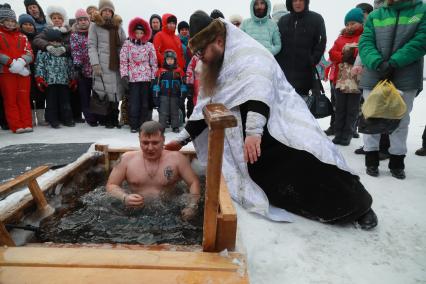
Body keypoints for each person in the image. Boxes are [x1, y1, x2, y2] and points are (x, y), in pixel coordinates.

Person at [166, 11, 378, 230]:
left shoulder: (249, 54)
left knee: (308, 158)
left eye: (202, 51)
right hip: (249, 134)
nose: (199, 57)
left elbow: (259, 92)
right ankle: (308, 207)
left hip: (276, 121)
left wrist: (254, 133)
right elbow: (205, 107)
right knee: (266, 175)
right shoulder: (214, 64)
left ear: (218, 41)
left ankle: (359, 207)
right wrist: (182, 140)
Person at [358, 0, 425, 179]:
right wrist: (377, 62)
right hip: (374, 74)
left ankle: (397, 161)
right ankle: (371, 159)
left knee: (400, 120)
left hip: (406, 75)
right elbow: (365, 42)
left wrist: (395, 62)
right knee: (371, 116)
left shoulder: (422, 10)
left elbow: (421, 40)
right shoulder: (375, 15)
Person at [106, 120, 200, 221]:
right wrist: (124, 197)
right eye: (145, 143)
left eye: (155, 143)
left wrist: (191, 206)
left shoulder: (177, 159)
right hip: (135, 213)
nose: (150, 148)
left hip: (169, 213)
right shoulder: (126, 159)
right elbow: (111, 185)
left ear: (163, 140)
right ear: (139, 140)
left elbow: (193, 182)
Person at [275, 0, 326, 98]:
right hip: (284, 75)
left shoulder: (316, 19)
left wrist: (312, 59)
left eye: (301, 0)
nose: (298, 3)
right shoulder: (283, 20)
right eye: (294, 0)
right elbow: (277, 43)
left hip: (305, 75)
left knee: (302, 108)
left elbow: (321, 42)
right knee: (284, 109)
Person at [328, 8, 364, 146]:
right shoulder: (340, 38)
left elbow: (364, 52)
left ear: (361, 23)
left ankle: (347, 134)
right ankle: (338, 133)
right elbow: (332, 54)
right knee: (340, 108)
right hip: (340, 80)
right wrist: (343, 56)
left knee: (352, 109)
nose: (350, 26)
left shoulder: (364, 37)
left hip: (356, 80)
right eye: (347, 24)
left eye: (353, 23)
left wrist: (354, 57)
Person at [88, 0, 126, 129]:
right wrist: (95, 64)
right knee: (105, 92)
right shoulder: (94, 26)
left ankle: (115, 118)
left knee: (116, 92)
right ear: (101, 11)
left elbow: (123, 44)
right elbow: (91, 46)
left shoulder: (118, 26)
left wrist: (125, 61)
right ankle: (107, 119)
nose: (107, 13)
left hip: (117, 63)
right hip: (102, 64)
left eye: (109, 11)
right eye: (105, 10)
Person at [120, 17, 157, 133]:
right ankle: (134, 124)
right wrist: (124, 75)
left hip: (146, 77)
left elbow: (154, 62)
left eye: (141, 33)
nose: (139, 35)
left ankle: (143, 125)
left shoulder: (149, 45)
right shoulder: (127, 44)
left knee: (145, 103)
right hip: (133, 77)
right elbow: (123, 60)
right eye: (137, 32)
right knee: (134, 102)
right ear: (133, 32)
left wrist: (153, 77)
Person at [0, 4, 33, 134]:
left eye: (13, 21)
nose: (10, 23)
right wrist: (11, 63)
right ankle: (16, 125)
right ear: (2, 21)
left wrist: (22, 61)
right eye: (7, 21)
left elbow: (30, 52)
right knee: (10, 99)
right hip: (6, 72)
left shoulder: (22, 37)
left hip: (23, 72)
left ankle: (27, 123)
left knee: (24, 98)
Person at [35, 29, 75, 128]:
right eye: (52, 41)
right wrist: (40, 78)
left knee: (65, 101)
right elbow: (39, 65)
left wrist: (72, 78)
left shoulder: (65, 52)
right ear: (48, 42)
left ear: (61, 42)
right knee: (51, 102)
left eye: (58, 41)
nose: (55, 43)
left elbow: (70, 66)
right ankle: (53, 120)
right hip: (50, 82)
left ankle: (67, 119)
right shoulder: (43, 52)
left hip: (63, 81)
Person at [71, 8, 101, 127]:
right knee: (84, 95)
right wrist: (77, 65)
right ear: (77, 22)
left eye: (85, 19)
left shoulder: (94, 32)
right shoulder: (75, 35)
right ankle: (90, 118)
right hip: (83, 70)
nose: (83, 22)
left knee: (97, 95)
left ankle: (99, 115)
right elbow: (75, 50)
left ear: (89, 21)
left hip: (95, 69)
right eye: (80, 20)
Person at [19, 13, 47, 126]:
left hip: (38, 69)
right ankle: (30, 118)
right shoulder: (20, 38)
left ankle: (41, 118)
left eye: (30, 24)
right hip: (24, 70)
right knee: (28, 94)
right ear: (21, 26)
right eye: (25, 24)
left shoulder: (38, 37)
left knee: (41, 93)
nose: (28, 26)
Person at [152, 49, 185, 133]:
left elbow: (183, 85)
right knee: (163, 112)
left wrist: (182, 96)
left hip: (175, 96)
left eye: (172, 59)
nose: (170, 61)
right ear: (165, 60)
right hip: (163, 96)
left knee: (175, 112)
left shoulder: (179, 71)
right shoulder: (161, 72)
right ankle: (161, 127)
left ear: (175, 60)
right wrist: (156, 96)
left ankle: (175, 126)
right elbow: (156, 85)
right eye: (168, 59)